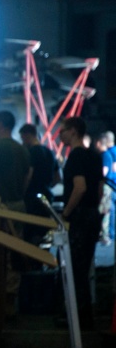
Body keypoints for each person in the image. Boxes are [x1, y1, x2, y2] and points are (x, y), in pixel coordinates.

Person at [58, 116, 103, 329]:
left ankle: (77, 319)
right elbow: (99, 188)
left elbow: (80, 187)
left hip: (80, 217)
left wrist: (66, 213)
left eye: (63, 130)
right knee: (84, 268)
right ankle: (84, 316)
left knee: (74, 268)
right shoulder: (95, 156)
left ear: (73, 131)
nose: (60, 135)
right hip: (93, 214)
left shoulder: (75, 156)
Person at [18, 123, 58, 243]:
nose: (22, 142)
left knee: (30, 233)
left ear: (27, 135)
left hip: (32, 197)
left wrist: (23, 191)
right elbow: (58, 177)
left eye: (22, 138)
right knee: (43, 233)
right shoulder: (49, 152)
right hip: (47, 197)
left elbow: (29, 175)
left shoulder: (31, 152)